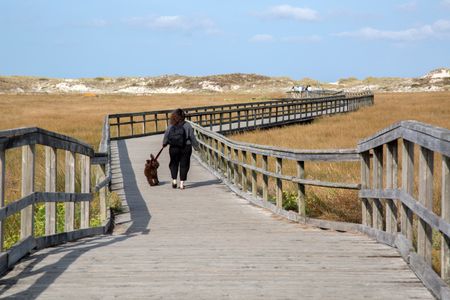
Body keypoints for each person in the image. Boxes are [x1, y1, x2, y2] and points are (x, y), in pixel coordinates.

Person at [162, 108, 199, 190]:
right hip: (186, 147)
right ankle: (181, 184)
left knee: (173, 163)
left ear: (174, 116)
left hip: (174, 147)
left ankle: (174, 180)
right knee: (184, 165)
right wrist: (196, 147)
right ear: (183, 116)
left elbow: (166, 136)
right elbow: (192, 137)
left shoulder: (171, 125)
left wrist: (164, 143)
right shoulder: (187, 125)